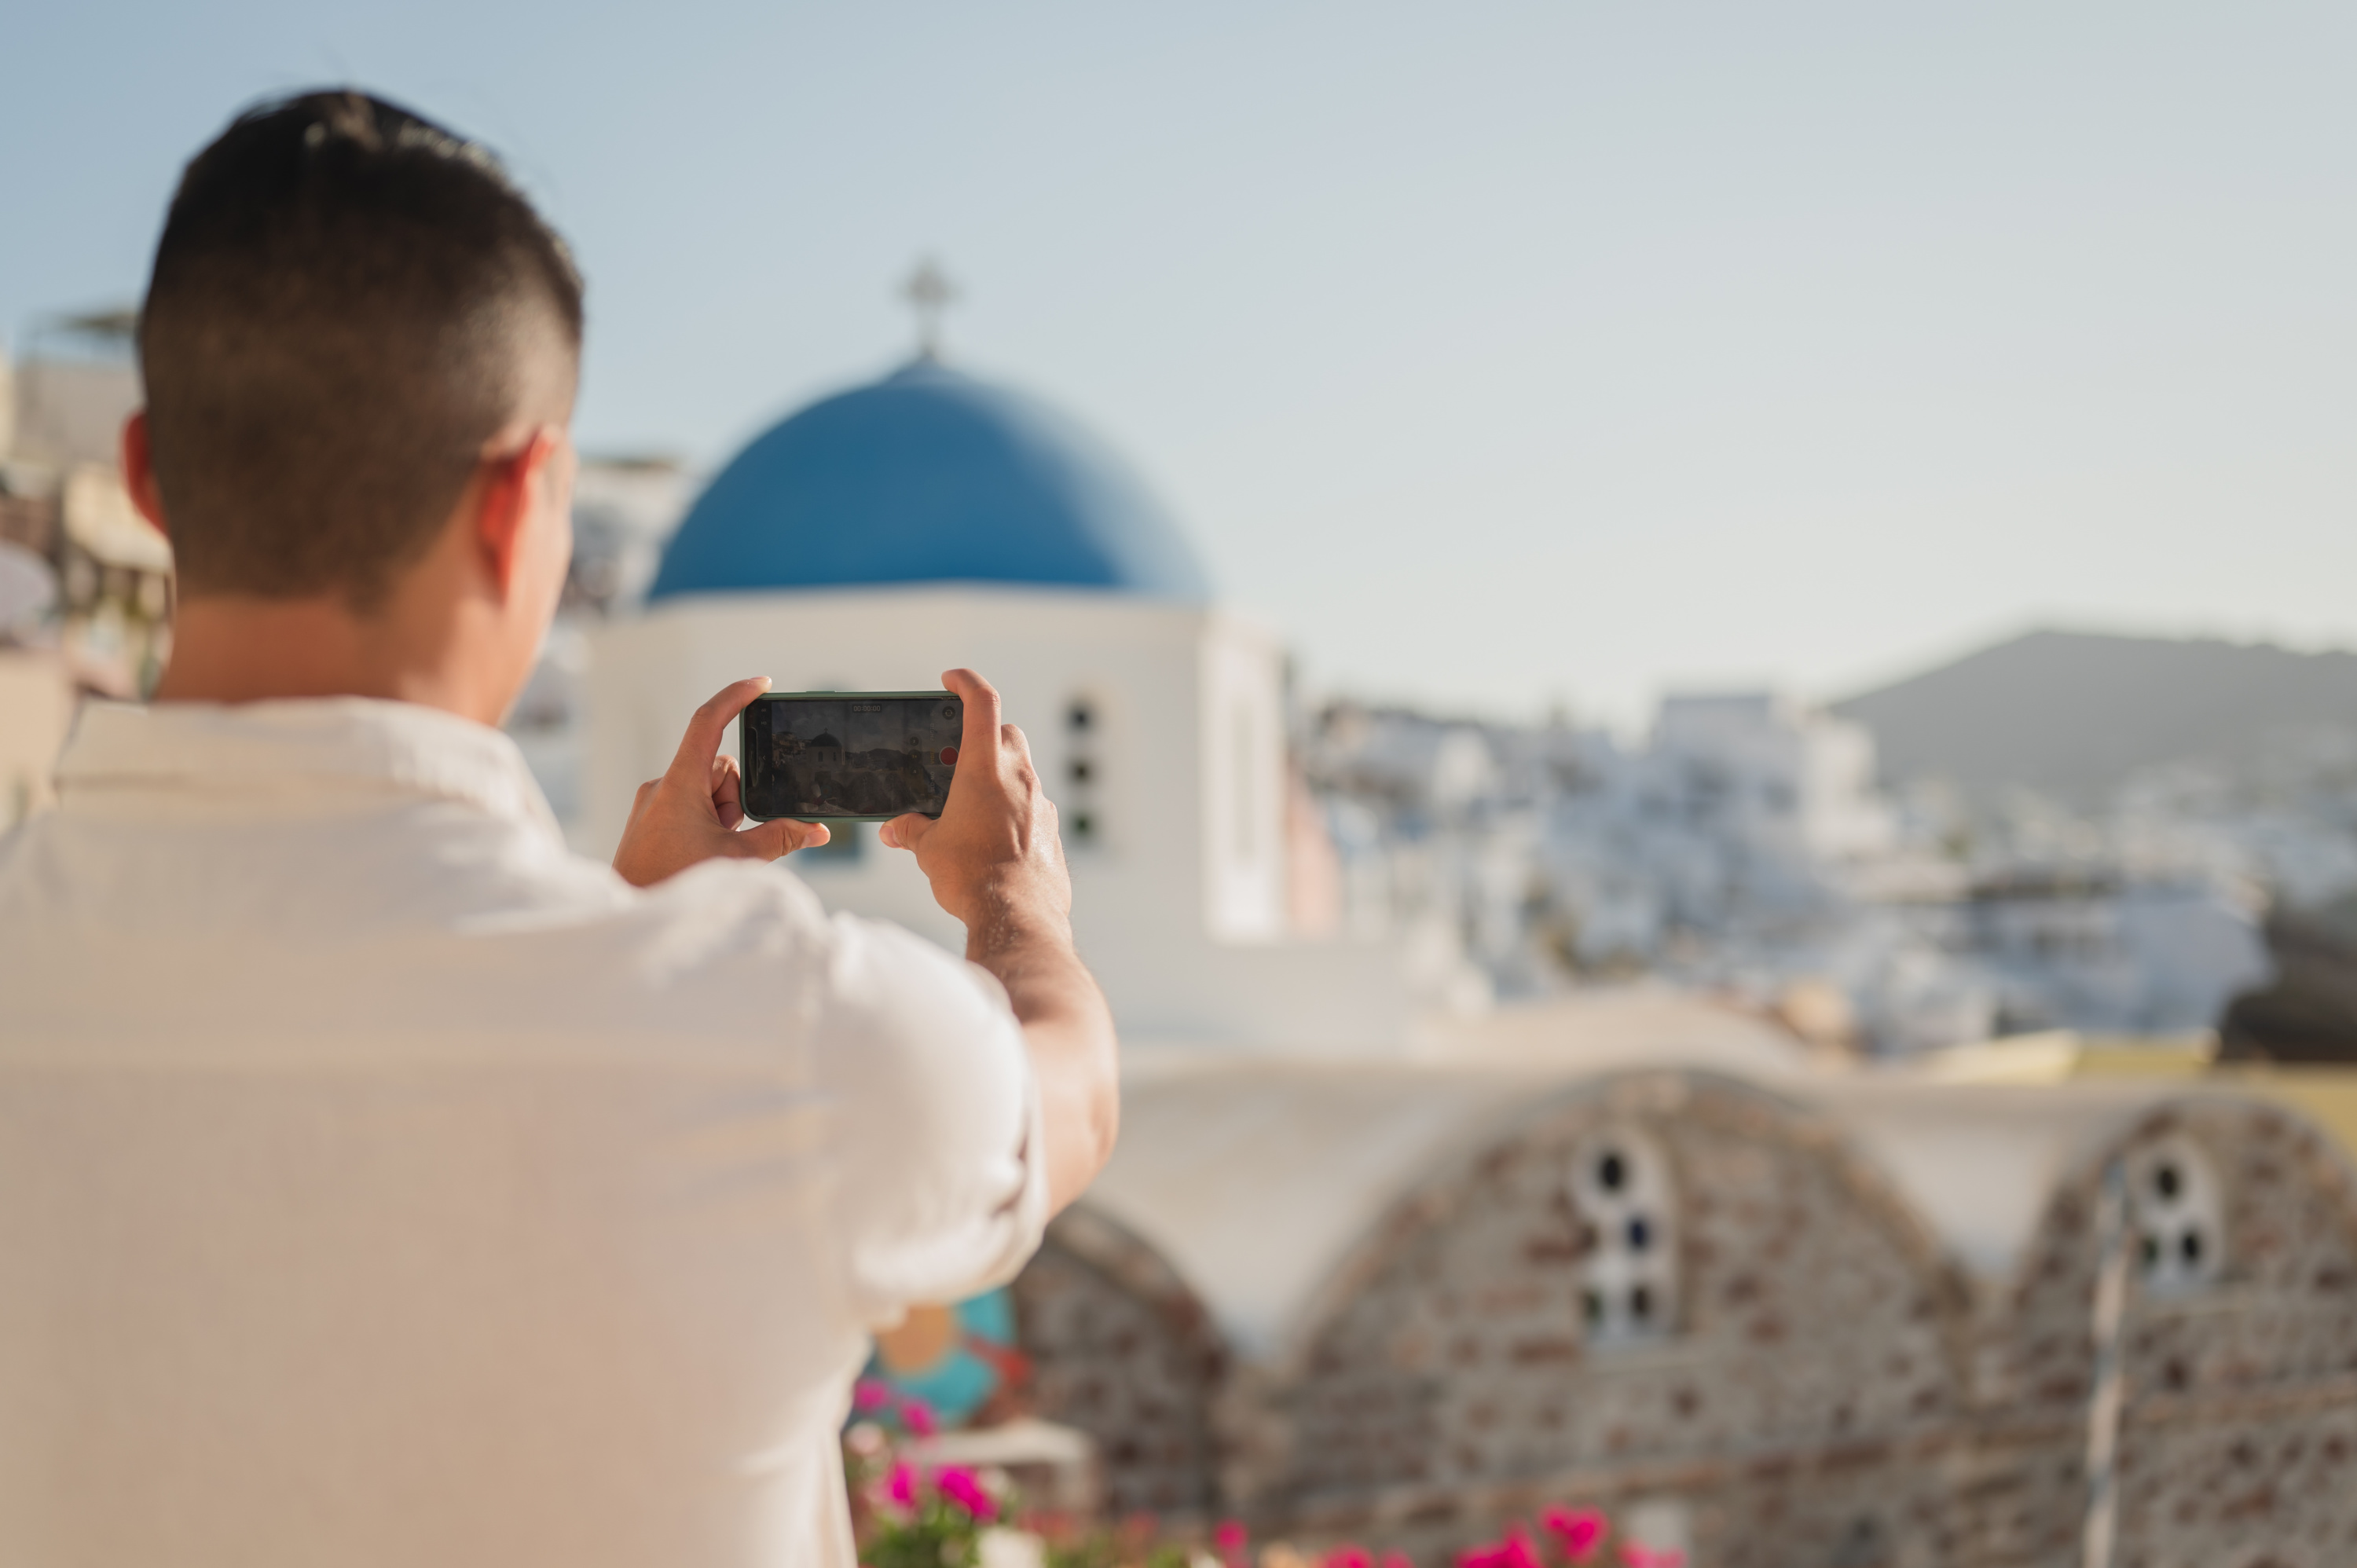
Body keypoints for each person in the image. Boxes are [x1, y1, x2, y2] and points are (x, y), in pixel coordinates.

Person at [0, 89, 1118, 1568]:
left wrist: (638, 917)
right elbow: (1071, 1095)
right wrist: (1013, 905)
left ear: (147, 482)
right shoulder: (790, 1038)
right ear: (526, 502)